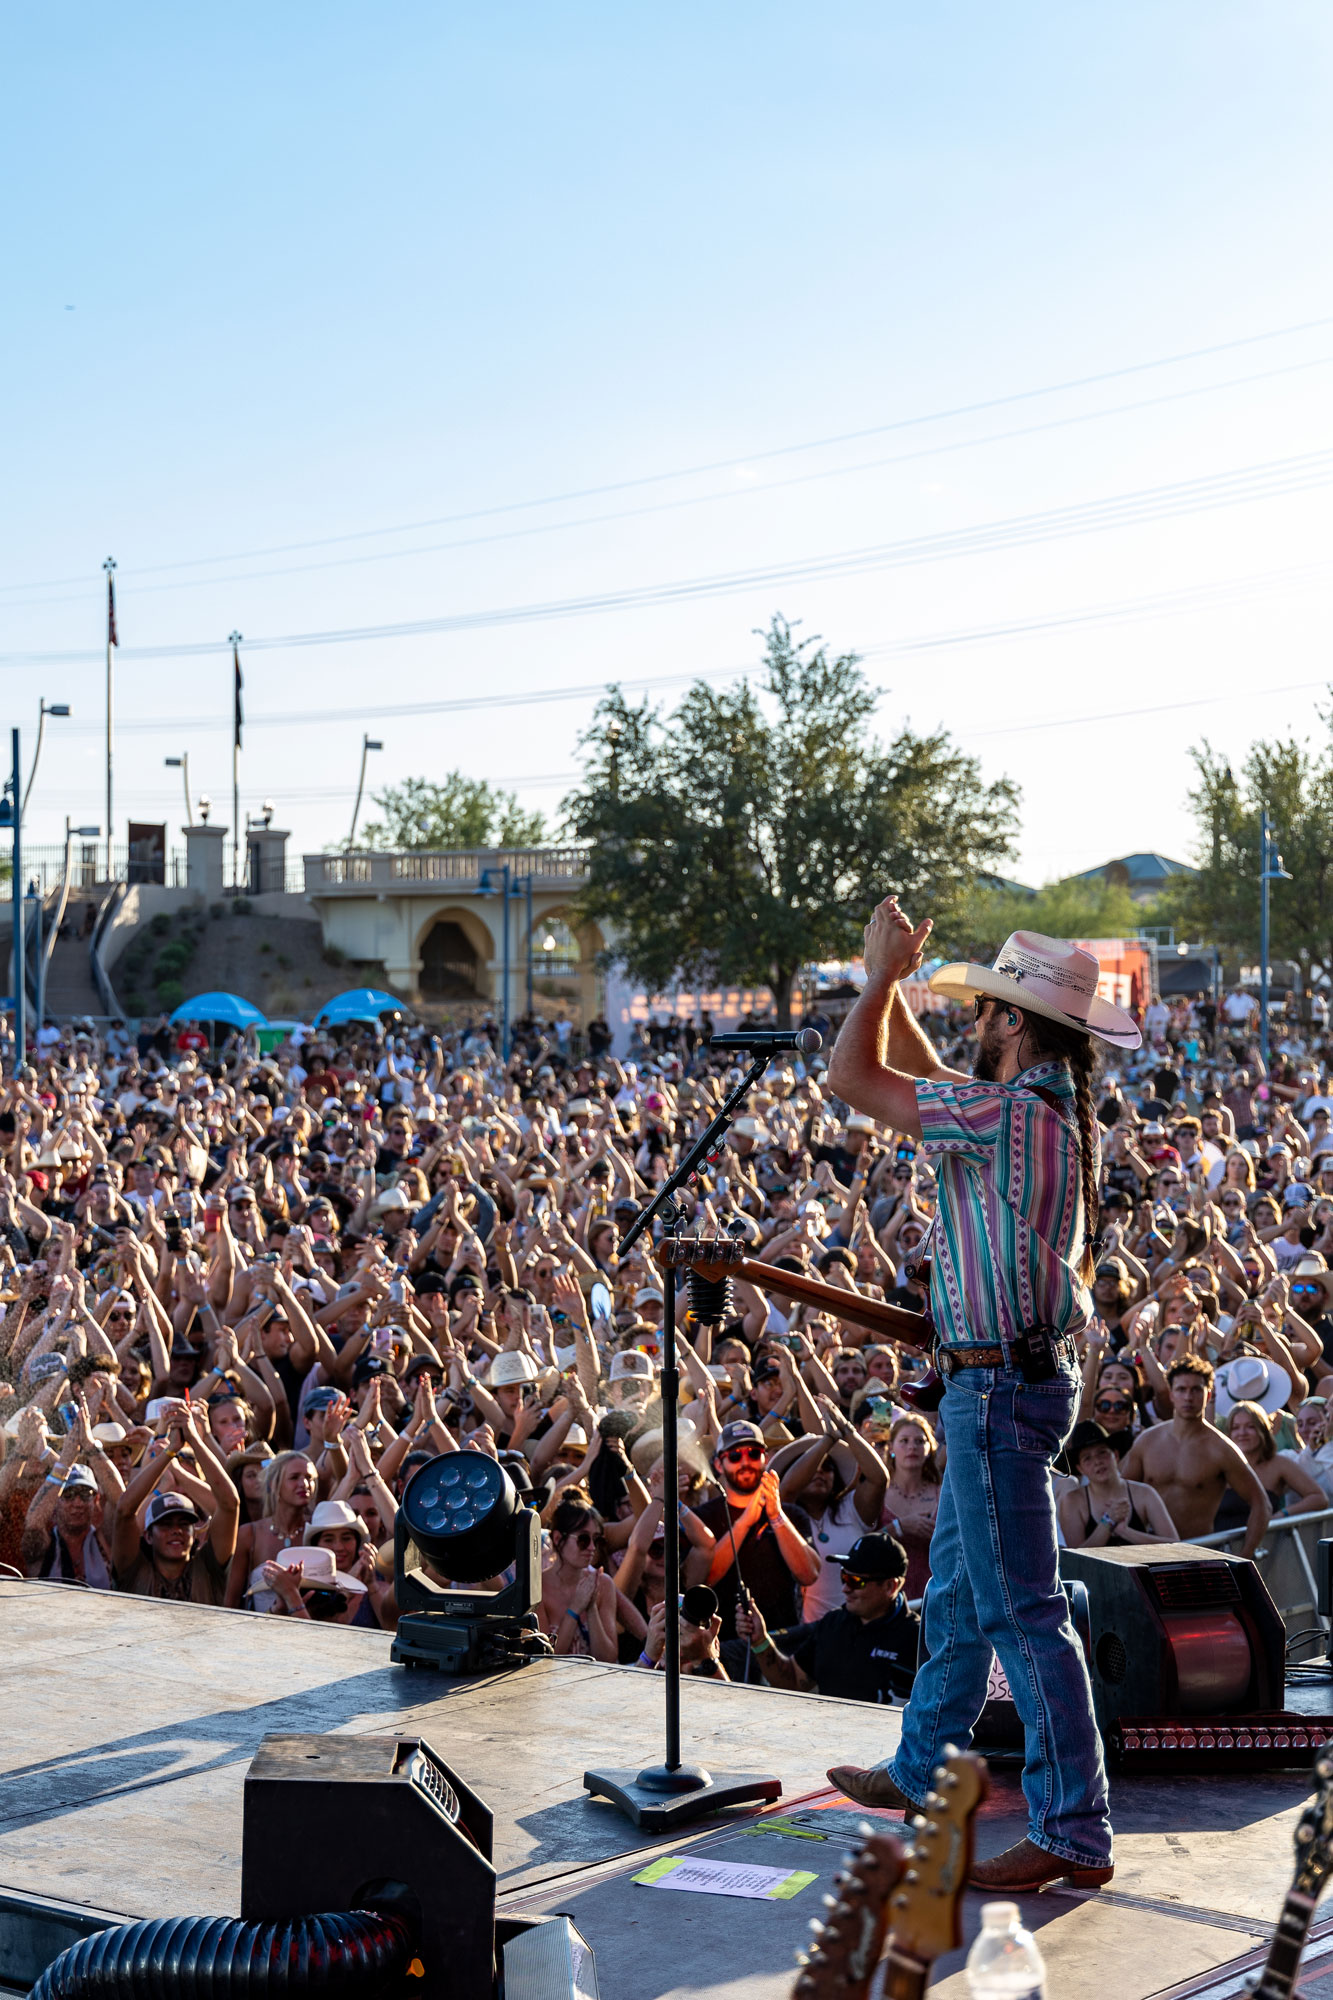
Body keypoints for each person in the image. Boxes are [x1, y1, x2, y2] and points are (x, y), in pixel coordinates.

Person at [822, 909, 1139, 1894]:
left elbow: (855, 1080)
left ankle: (1072, 1829)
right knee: (959, 1593)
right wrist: (901, 986)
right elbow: (924, 1081)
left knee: (1020, 1609)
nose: (972, 1022)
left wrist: (878, 982)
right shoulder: (1026, 1105)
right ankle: (922, 1766)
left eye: (982, 1010)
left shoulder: (1011, 1114)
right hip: (1000, 1379)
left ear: (1011, 1021)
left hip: (998, 1385)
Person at [734, 1532, 919, 1702]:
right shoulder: (833, 1622)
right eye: (844, 1577)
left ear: (890, 1587)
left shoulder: (919, 1639)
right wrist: (760, 1640)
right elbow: (792, 1682)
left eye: (856, 1581)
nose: (845, 1588)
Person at [1122, 1356, 1268, 1555]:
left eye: (1196, 1390)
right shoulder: (1147, 1442)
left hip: (1197, 1553)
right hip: (1147, 1553)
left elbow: (1261, 1503)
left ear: (1208, 1396)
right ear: (1171, 1394)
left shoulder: (1221, 1449)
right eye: (1181, 1390)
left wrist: (1245, 1556)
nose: (1188, 1397)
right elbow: (1119, 1496)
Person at [697, 1420, 820, 1648]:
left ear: (765, 1458)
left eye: (753, 1453)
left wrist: (776, 1516)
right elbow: (704, 1577)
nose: (745, 1462)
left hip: (782, 1640)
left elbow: (809, 1574)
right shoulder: (703, 1518)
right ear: (718, 1464)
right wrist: (745, 1522)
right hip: (723, 1645)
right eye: (735, 1456)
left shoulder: (791, 1514)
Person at [1057, 1421, 1178, 1548]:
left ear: (1115, 1455)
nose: (1097, 1461)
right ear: (1080, 1468)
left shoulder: (1144, 1493)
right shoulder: (1073, 1501)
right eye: (1087, 1458)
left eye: (1102, 1452)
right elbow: (1075, 1560)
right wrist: (1107, 1522)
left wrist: (1125, 1532)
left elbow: (1176, 1545)